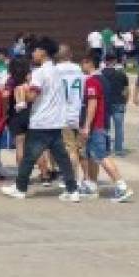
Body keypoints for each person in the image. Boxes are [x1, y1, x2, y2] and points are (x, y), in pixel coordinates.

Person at [0, 38, 81, 201]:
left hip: (41, 121)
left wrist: (22, 90)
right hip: (55, 120)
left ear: (43, 52)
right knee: (62, 158)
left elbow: (32, 96)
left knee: (29, 157)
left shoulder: (40, 73)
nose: (33, 54)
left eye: (35, 50)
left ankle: (20, 188)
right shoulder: (56, 71)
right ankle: (72, 190)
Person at [78, 54, 132, 202]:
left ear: (88, 63)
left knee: (101, 155)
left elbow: (92, 104)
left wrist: (87, 126)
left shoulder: (92, 81)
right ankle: (91, 185)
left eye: (82, 63)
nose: (80, 67)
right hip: (103, 122)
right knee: (91, 155)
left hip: (96, 124)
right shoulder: (103, 80)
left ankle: (121, 186)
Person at [53, 45, 86, 188]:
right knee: (82, 150)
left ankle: (71, 179)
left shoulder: (55, 71)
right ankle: (87, 179)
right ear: (70, 55)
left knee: (69, 149)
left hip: (63, 114)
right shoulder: (80, 70)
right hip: (80, 112)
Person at [4, 56, 32, 173]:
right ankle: (45, 174)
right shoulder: (29, 79)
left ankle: (22, 174)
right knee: (36, 147)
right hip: (30, 113)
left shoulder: (10, 80)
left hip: (15, 115)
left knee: (19, 146)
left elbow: (5, 95)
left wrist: (5, 110)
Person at [99, 52, 130, 156]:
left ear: (105, 61)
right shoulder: (121, 74)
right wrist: (125, 102)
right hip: (119, 102)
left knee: (105, 127)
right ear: (115, 61)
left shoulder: (101, 74)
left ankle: (106, 148)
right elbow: (126, 90)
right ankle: (118, 149)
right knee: (119, 127)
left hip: (105, 103)